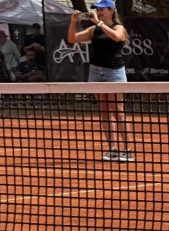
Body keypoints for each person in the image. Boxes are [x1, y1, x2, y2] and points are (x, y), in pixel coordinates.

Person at [67, 0, 133, 162]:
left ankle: (128, 150)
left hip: (114, 73)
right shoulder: (93, 29)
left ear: (111, 11)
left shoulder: (119, 28)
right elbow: (72, 39)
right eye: (97, 9)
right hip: (96, 71)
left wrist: (99, 22)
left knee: (118, 112)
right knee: (104, 112)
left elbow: (117, 37)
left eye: (102, 9)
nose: (98, 11)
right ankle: (112, 149)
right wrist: (73, 23)